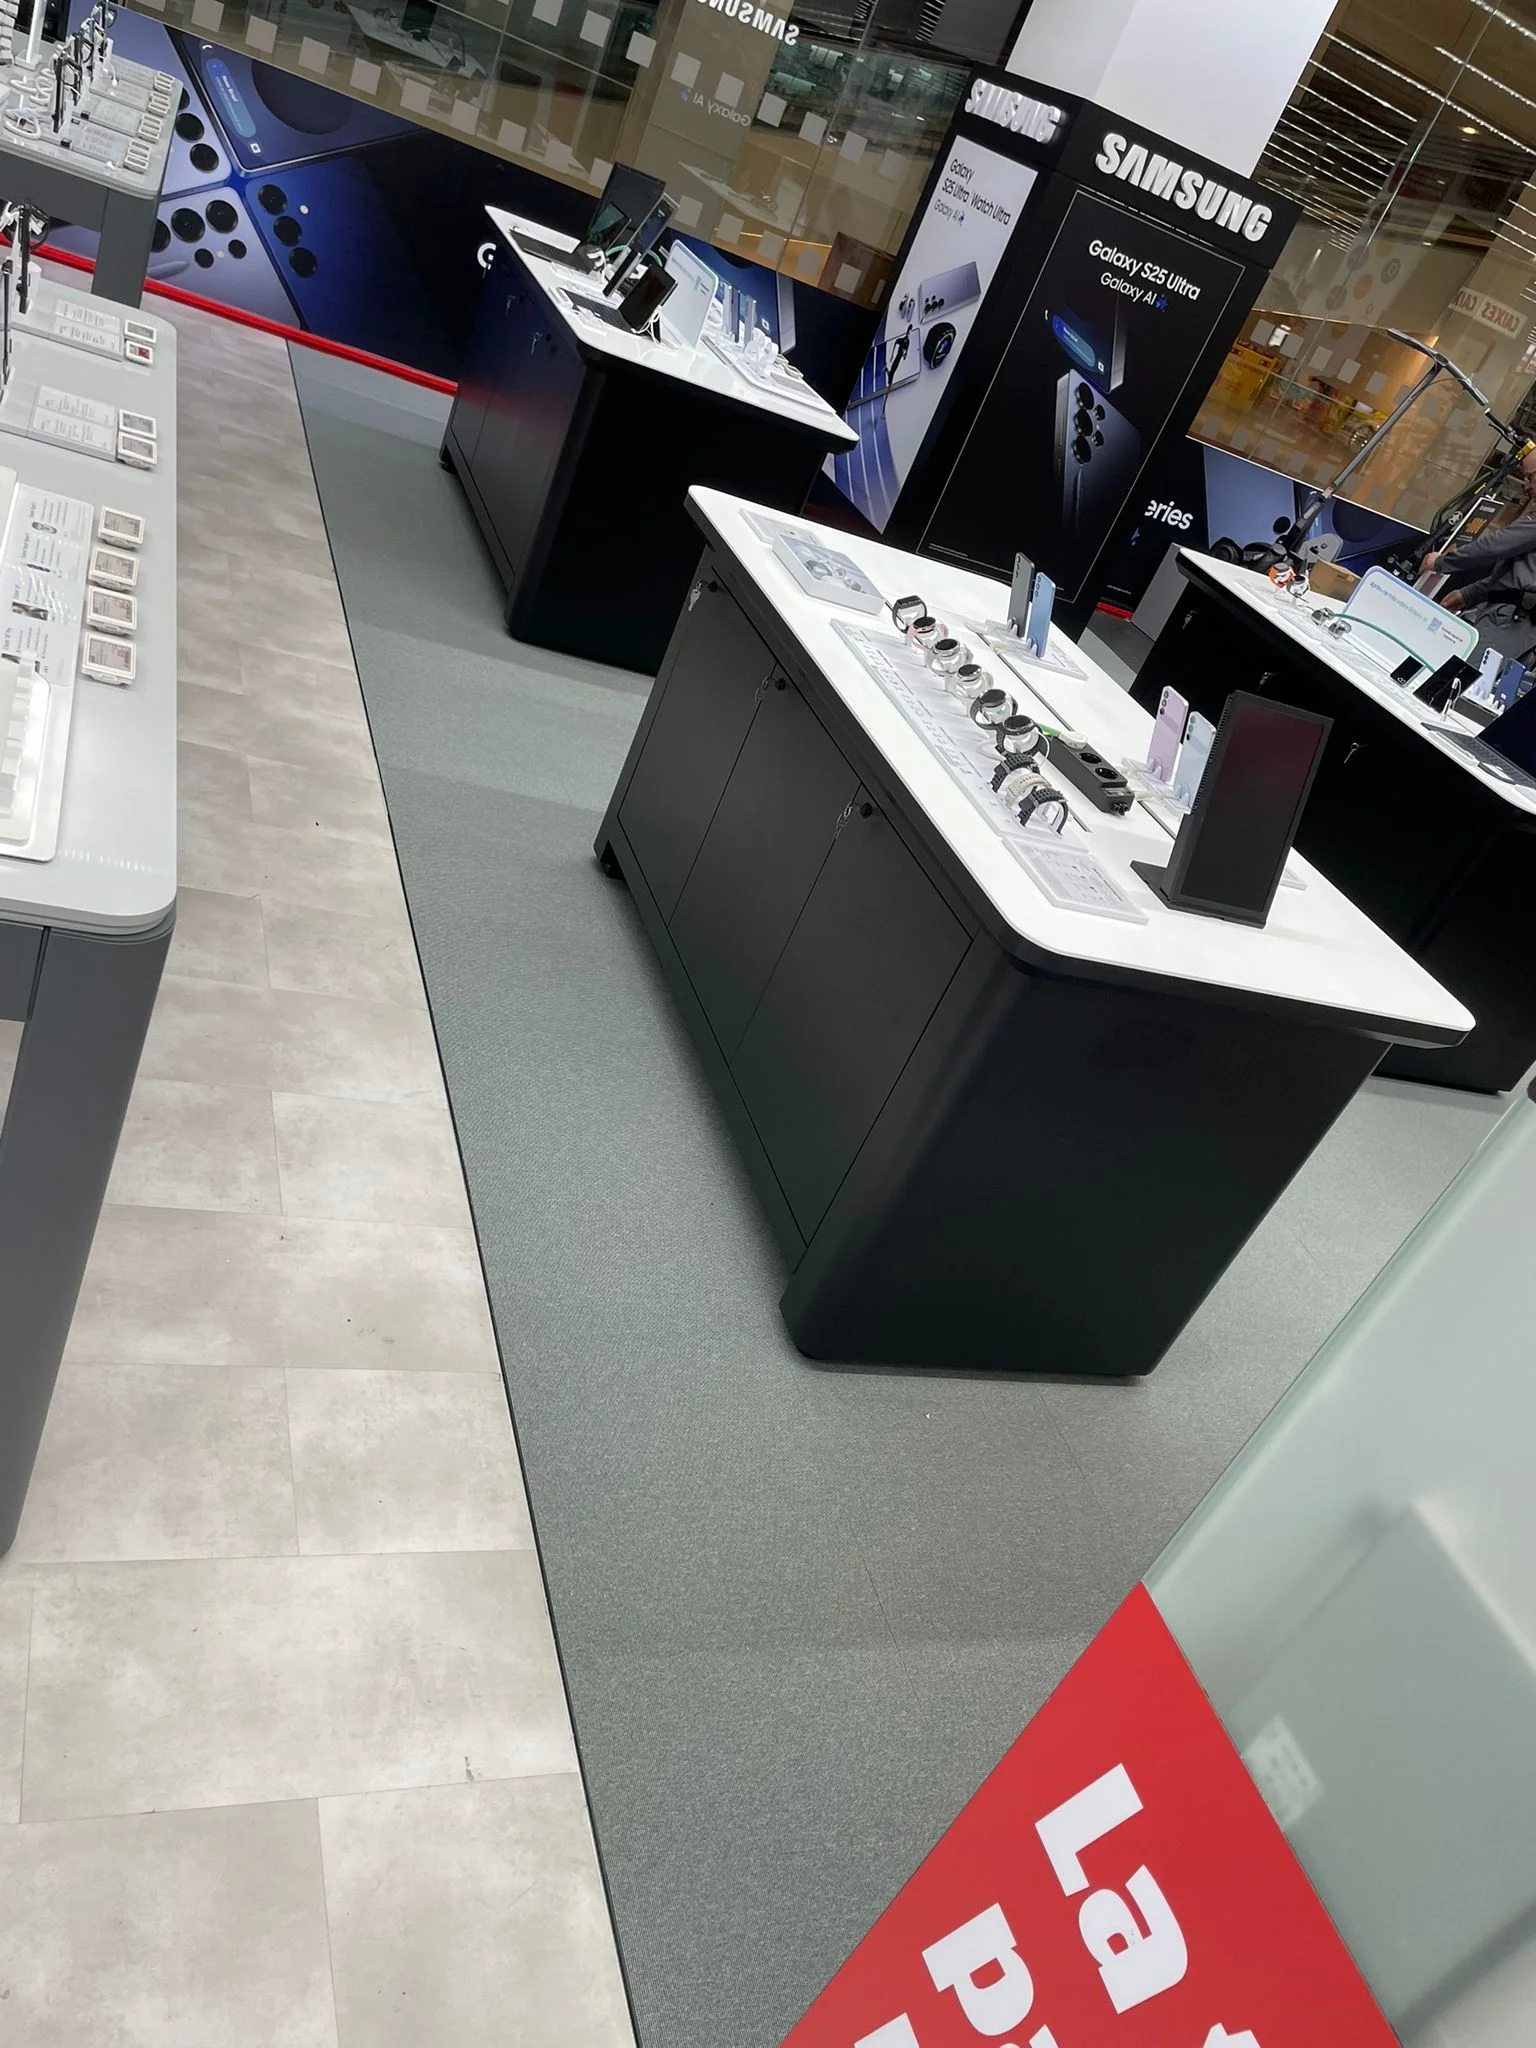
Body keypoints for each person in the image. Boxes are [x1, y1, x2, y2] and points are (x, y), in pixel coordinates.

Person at [1422, 446, 1536, 658]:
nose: (1526, 485)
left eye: (1530, 477)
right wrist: (1468, 594)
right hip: (1507, 613)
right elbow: (1516, 572)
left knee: (1457, 671)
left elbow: (1497, 545)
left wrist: (1440, 563)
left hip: (1514, 620)